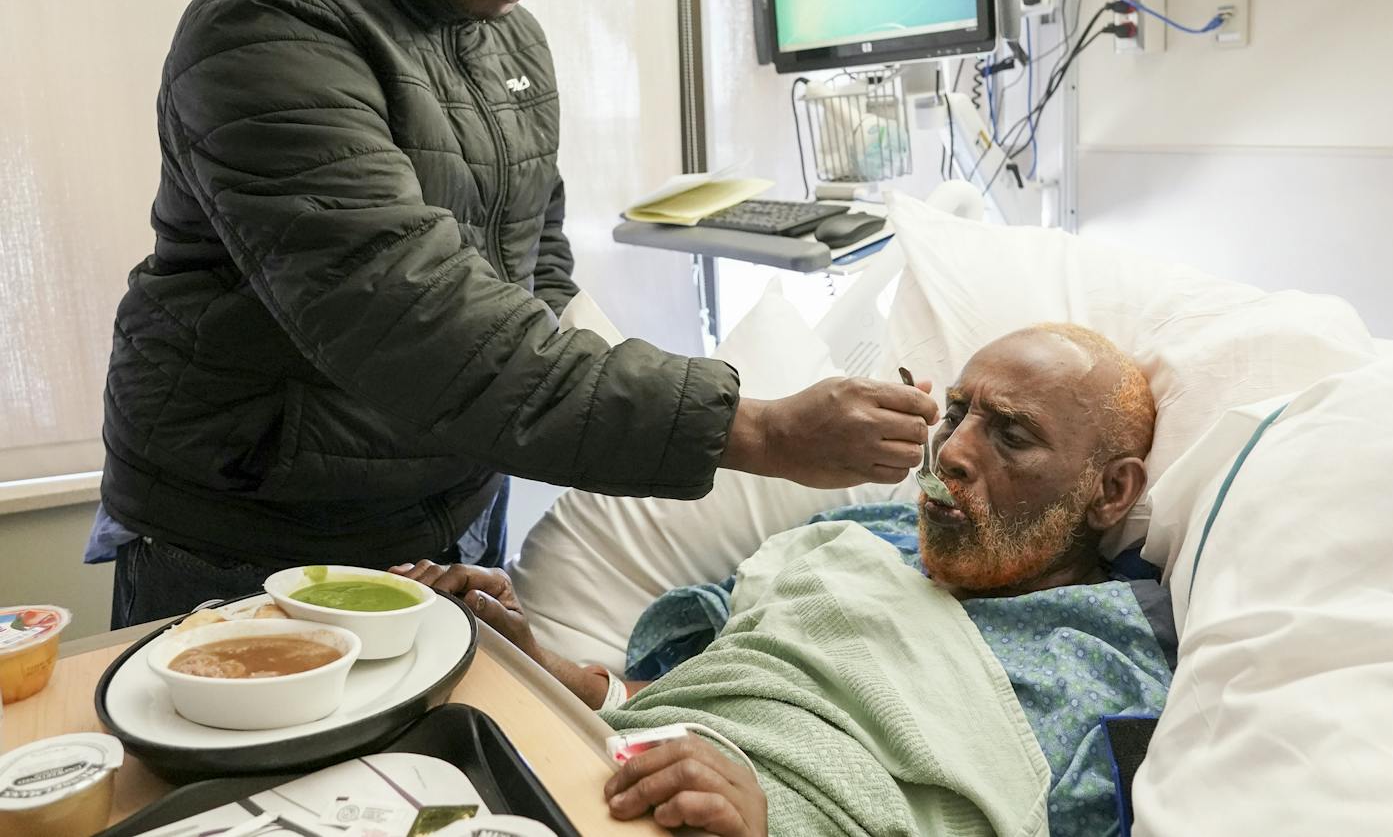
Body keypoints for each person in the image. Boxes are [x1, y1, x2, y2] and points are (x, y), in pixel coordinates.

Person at [93, 0, 938, 628]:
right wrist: (758, 430)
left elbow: (533, 281)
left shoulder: (509, 41)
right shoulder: (273, 25)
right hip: (255, 533)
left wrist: (640, 398)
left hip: (450, 515)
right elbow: (411, 317)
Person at [398, 324, 1174, 836]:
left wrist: (770, 824)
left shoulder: (1116, 668)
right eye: (956, 415)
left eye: (1011, 434)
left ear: (1110, 491)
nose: (954, 454)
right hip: (589, 778)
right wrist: (532, 661)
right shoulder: (846, 538)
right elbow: (676, 694)